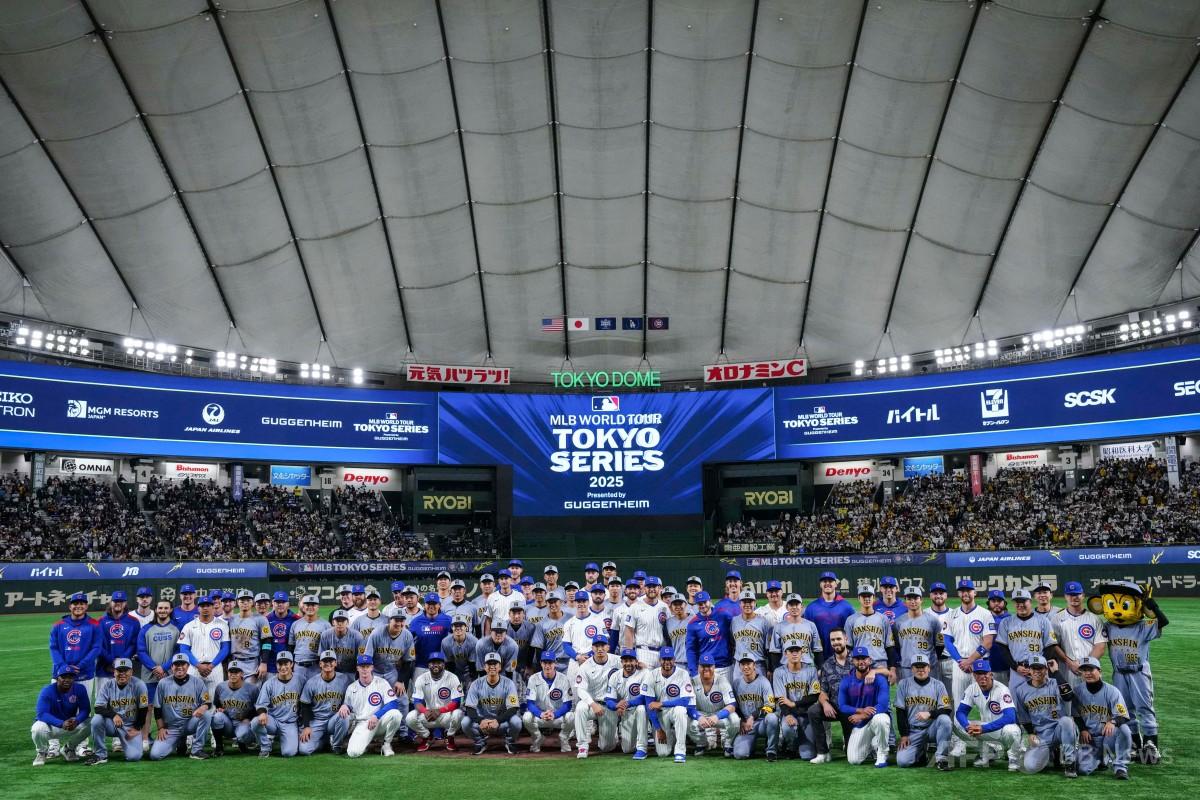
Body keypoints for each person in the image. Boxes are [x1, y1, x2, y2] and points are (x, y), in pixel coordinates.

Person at [942, 579, 996, 757]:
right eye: (962, 590)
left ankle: (989, 744)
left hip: (980, 665)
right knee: (959, 705)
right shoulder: (952, 614)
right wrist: (960, 661)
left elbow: (987, 642)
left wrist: (970, 661)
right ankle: (960, 743)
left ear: (975, 592)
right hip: (959, 665)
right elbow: (947, 641)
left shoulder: (985, 614)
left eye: (968, 590)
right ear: (959, 593)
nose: (965, 593)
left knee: (985, 705)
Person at [1013, 654, 1078, 777]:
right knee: (1030, 766)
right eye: (1034, 668)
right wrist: (1031, 733)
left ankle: (1070, 762)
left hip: (1060, 730)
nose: (1037, 671)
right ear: (1029, 670)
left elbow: (1069, 696)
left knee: (1066, 721)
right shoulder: (1020, 690)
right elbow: (1024, 717)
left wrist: (1057, 672)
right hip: (1042, 735)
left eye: (1040, 668)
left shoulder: (1055, 683)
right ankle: (1053, 753)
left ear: (1046, 670)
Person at [953, 659, 1022, 771]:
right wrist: (967, 726)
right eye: (979, 674)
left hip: (1002, 730)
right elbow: (961, 712)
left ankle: (1014, 758)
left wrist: (983, 728)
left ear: (991, 674)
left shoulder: (1002, 690)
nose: (982, 677)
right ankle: (987, 752)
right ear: (974, 675)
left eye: (985, 673)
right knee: (957, 723)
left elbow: (1010, 717)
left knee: (1011, 730)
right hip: (985, 729)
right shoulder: (972, 689)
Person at [1074, 656, 1133, 779]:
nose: (1087, 673)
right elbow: (1075, 715)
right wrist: (1083, 729)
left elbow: (1124, 716)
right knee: (1082, 769)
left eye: (1091, 670)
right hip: (1089, 741)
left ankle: (1120, 768)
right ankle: (1101, 760)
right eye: (1084, 670)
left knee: (1124, 729)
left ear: (1099, 672)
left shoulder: (1112, 691)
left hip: (1107, 738)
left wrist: (1113, 721)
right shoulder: (1078, 691)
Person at [995, 588, 1064, 690]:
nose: (1020, 604)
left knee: (1042, 703)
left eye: (1023, 601)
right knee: (1017, 703)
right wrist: (1015, 667)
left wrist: (1040, 667)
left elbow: (1050, 646)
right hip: (1017, 672)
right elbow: (1003, 648)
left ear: (1030, 601)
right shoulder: (1006, 622)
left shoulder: (1043, 621)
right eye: (1017, 602)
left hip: (1039, 671)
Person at [893, 653, 953, 770]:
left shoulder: (938, 685)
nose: (921, 669)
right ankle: (920, 754)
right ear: (912, 669)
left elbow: (946, 709)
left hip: (932, 729)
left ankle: (941, 758)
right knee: (902, 762)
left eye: (923, 666)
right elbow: (900, 711)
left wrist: (930, 714)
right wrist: (904, 735)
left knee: (945, 720)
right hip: (913, 731)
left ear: (929, 668)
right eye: (917, 666)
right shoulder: (903, 684)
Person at [85, 657, 148, 765]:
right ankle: (100, 754)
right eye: (119, 670)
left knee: (134, 757)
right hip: (113, 725)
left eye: (126, 670)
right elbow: (98, 707)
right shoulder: (108, 685)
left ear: (131, 672)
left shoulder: (140, 685)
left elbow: (144, 708)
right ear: (114, 672)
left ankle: (127, 745)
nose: (122, 674)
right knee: (96, 720)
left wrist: (137, 727)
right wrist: (114, 715)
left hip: (130, 726)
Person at [150, 653, 211, 761]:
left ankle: (196, 750)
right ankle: (179, 741)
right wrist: (161, 728)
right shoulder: (163, 683)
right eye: (176, 664)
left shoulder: (197, 682)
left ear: (188, 666)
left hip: (189, 724)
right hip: (171, 728)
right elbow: (157, 708)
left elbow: (208, 702)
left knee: (206, 715)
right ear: (172, 667)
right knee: (155, 755)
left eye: (183, 664)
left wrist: (204, 707)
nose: (179, 667)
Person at [340, 654, 404, 758]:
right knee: (353, 753)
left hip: (379, 721)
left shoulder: (382, 683)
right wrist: (344, 706)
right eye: (362, 666)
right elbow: (348, 706)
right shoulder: (351, 688)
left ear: (372, 667)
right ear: (357, 668)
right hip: (363, 724)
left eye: (367, 666)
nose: (365, 669)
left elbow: (393, 703)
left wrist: (376, 715)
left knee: (396, 714)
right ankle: (366, 743)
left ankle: (386, 744)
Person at [1051, 581, 1107, 698]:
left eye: (1077, 594)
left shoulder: (1094, 619)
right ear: (1065, 596)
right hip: (1066, 669)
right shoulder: (1056, 619)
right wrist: (1069, 663)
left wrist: (1084, 664)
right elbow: (1053, 645)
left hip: (1091, 669)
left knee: (1093, 704)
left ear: (1083, 595)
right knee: (1067, 704)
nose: (1074, 597)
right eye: (1070, 594)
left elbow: (1100, 646)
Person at [837, 646, 891, 767]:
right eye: (857, 659)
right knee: (854, 760)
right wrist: (859, 710)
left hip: (875, 718)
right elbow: (842, 706)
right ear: (852, 661)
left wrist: (862, 715)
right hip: (860, 724)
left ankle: (882, 753)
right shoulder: (846, 681)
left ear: (870, 660)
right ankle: (872, 744)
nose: (861, 661)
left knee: (881, 719)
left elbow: (882, 705)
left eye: (864, 658)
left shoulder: (880, 679)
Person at [808, 628, 854, 763]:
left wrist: (871, 673)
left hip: (852, 709)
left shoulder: (857, 660)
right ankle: (823, 752)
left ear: (846, 639)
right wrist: (825, 703)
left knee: (852, 756)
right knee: (813, 711)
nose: (836, 642)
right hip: (834, 706)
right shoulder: (827, 664)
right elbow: (822, 691)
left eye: (838, 639)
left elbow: (878, 670)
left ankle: (851, 746)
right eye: (833, 640)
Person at [464, 652, 522, 755]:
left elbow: (513, 708)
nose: (492, 667)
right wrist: (480, 720)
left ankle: (509, 741)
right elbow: (469, 708)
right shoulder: (476, 684)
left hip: (502, 723)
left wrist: (498, 721)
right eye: (489, 664)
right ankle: (480, 742)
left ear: (500, 667)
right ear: (484, 667)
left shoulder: (509, 683)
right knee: (465, 722)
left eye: (495, 664)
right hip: (483, 725)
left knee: (516, 721)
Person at [645, 645, 696, 762]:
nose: (667, 662)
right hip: (661, 714)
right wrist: (658, 729)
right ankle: (671, 734)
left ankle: (680, 751)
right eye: (664, 659)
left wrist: (661, 703)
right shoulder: (652, 675)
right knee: (663, 753)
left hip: (675, 711)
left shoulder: (683, 674)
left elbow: (685, 701)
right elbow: (650, 705)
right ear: (660, 661)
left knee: (680, 710)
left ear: (674, 660)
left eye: (669, 659)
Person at [32, 665, 91, 766]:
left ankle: (69, 748)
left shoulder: (80, 689)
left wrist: (77, 720)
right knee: (37, 728)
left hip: (71, 724)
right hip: (52, 725)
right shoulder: (47, 691)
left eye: (70, 677)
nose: (67, 680)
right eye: (63, 677)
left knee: (94, 722)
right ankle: (42, 752)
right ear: (57, 678)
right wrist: (61, 723)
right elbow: (41, 714)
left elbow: (85, 710)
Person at [573, 635, 620, 757]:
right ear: (592, 648)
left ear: (608, 647)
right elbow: (580, 690)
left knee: (607, 747)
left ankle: (610, 735)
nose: (600, 649)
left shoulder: (617, 661)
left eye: (603, 645)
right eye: (597, 646)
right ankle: (582, 746)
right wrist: (593, 704)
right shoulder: (585, 666)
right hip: (592, 704)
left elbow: (631, 666)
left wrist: (640, 665)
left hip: (609, 705)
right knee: (580, 707)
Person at [408, 651, 464, 752]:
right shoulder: (421, 678)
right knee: (410, 717)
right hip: (429, 715)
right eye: (432, 663)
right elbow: (417, 701)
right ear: (428, 665)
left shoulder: (452, 677)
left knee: (459, 713)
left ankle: (449, 737)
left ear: (444, 664)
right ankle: (427, 737)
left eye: (439, 662)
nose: (435, 665)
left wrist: (440, 711)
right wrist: (425, 711)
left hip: (446, 715)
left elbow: (456, 702)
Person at [773, 644, 821, 760]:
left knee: (807, 756)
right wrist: (788, 714)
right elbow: (781, 699)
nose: (794, 653)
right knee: (787, 728)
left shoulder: (811, 670)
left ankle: (802, 742)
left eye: (797, 651)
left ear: (802, 653)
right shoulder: (779, 672)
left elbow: (814, 696)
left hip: (806, 714)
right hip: (789, 713)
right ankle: (790, 745)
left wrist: (794, 703)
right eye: (791, 651)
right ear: (785, 654)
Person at [297, 650, 351, 755]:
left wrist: (346, 705)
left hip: (334, 720)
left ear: (335, 663)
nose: (328, 664)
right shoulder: (311, 682)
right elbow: (305, 706)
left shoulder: (344, 679)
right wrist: (307, 726)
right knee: (304, 750)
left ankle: (337, 745)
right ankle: (324, 742)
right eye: (324, 661)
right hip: (317, 721)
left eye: (331, 661)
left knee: (345, 716)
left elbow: (351, 699)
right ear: (320, 664)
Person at [251, 650, 301, 758]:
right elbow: (260, 704)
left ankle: (284, 738)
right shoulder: (269, 683)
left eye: (286, 664)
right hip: (273, 721)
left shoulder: (300, 680)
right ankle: (265, 747)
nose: (283, 667)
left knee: (289, 753)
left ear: (291, 664)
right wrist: (263, 713)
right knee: (256, 722)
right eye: (280, 664)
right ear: (276, 665)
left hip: (290, 723)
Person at [730, 652, 779, 761]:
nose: (746, 667)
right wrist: (742, 720)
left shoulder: (764, 682)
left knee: (772, 718)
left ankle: (771, 751)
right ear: (739, 666)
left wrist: (753, 716)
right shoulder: (736, 683)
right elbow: (734, 705)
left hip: (762, 723)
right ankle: (749, 746)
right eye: (743, 664)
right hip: (746, 726)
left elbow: (770, 706)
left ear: (754, 665)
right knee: (740, 754)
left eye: (748, 663)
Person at [177, 594, 229, 696]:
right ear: (198, 608)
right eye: (202, 605)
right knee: (192, 702)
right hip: (194, 668)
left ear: (213, 607)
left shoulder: (223, 625)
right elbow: (183, 649)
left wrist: (212, 665)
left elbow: (225, 648)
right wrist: (198, 665)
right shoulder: (189, 626)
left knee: (214, 704)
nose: (205, 608)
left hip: (215, 668)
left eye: (208, 605)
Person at [844, 583, 897, 681]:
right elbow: (848, 647)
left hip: (880, 663)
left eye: (869, 596)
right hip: (860, 664)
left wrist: (892, 668)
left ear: (874, 598)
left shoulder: (883, 619)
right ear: (858, 598)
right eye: (864, 596)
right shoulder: (851, 620)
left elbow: (889, 646)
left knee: (881, 694)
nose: (867, 598)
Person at [50, 592, 101, 693]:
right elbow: (53, 648)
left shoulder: (95, 625)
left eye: (82, 604)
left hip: (84, 674)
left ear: (86, 606)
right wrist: (63, 666)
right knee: (58, 707)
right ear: (70, 606)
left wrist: (81, 665)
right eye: (75, 603)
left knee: (83, 707)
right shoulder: (58, 625)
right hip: (60, 674)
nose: (78, 606)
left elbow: (96, 648)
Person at [523, 652, 573, 753]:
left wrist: (555, 714)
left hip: (557, 717)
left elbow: (568, 704)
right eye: (545, 663)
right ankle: (537, 738)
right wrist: (540, 714)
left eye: (550, 663)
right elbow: (530, 703)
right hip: (540, 716)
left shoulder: (563, 679)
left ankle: (564, 738)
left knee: (571, 716)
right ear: (541, 663)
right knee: (526, 717)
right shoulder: (533, 679)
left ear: (555, 663)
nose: (547, 666)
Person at [689, 652, 738, 757]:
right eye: (703, 666)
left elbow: (732, 705)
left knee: (734, 719)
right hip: (701, 714)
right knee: (686, 721)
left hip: (719, 715)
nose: (706, 669)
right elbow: (688, 706)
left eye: (709, 666)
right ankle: (701, 743)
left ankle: (728, 744)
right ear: (698, 667)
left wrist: (717, 716)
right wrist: (698, 717)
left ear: (714, 667)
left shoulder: (722, 680)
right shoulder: (692, 682)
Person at [804, 571, 855, 661]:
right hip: (818, 657)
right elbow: (806, 635)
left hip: (842, 656)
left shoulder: (846, 606)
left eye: (830, 581)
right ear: (820, 584)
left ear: (836, 584)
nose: (827, 583)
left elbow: (852, 633)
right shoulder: (811, 607)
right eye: (824, 581)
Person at [607, 648, 649, 756]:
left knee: (641, 708)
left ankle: (642, 747)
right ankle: (637, 739)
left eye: (631, 660)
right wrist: (617, 705)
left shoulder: (644, 673)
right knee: (627, 749)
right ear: (621, 662)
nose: (628, 663)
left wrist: (625, 704)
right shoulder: (615, 676)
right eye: (625, 661)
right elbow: (608, 699)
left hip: (642, 711)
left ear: (636, 661)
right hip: (626, 713)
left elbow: (645, 697)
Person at [211, 663, 258, 756]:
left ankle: (243, 743)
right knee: (216, 717)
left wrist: (249, 718)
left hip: (243, 723)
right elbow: (217, 704)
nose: (233, 674)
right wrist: (220, 709)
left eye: (236, 672)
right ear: (227, 673)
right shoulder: (220, 687)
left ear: (242, 674)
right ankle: (219, 748)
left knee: (242, 735)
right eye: (231, 672)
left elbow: (259, 708)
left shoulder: (252, 689)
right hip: (228, 723)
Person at [137, 600, 179, 702]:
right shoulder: (146, 629)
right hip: (149, 675)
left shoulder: (178, 627)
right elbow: (141, 651)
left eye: (166, 608)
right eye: (160, 608)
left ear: (171, 610)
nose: (163, 611)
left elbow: (179, 651)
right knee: (147, 707)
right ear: (155, 610)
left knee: (169, 706)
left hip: (170, 674)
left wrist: (164, 668)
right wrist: (154, 668)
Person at [97, 590, 141, 687]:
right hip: (104, 669)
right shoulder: (101, 621)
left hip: (125, 670)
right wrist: (111, 660)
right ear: (111, 602)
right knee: (103, 701)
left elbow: (134, 644)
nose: (118, 603)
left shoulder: (134, 622)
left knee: (123, 700)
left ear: (125, 603)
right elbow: (97, 644)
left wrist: (120, 661)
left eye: (121, 601)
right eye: (115, 601)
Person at [685, 592, 733, 679]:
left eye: (705, 602)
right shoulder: (693, 623)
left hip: (725, 666)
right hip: (706, 668)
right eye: (700, 604)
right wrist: (694, 672)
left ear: (710, 601)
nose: (703, 605)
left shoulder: (723, 614)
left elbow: (736, 626)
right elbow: (691, 650)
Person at [228, 589, 272, 683]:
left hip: (252, 663)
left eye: (248, 600)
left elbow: (267, 642)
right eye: (242, 601)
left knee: (251, 693)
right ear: (237, 602)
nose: (245, 603)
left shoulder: (261, 619)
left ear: (252, 602)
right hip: (234, 661)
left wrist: (264, 662)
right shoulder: (231, 620)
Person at [625, 576, 669, 669]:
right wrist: (630, 656)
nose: (652, 589)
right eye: (649, 587)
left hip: (662, 653)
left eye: (654, 586)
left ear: (659, 588)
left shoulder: (665, 607)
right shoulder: (635, 607)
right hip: (643, 652)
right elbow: (629, 631)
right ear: (644, 588)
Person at [768, 594, 821, 671]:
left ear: (801, 606)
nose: (794, 607)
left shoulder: (811, 625)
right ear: (787, 607)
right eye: (791, 604)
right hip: (786, 667)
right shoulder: (779, 626)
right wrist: (775, 670)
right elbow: (775, 652)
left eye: (797, 604)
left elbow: (817, 650)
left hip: (807, 667)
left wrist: (819, 668)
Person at [288, 595, 331, 687]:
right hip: (298, 667)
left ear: (318, 607)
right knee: (296, 693)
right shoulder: (295, 624)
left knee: (316, 693)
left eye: (313, 605)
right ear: (303, 607)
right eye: (307, 605)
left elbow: (329, 649)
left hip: (316, 666)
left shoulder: (326, 625)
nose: (310, 607)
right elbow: (291, 647)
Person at [410, 594, 453, 679]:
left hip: (441, 664)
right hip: (421, 665)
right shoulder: (416, 621)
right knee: (419, 691)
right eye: (428, 604)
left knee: (441, 691)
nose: (431, 606)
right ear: (424, 605)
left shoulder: (448, 620)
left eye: (434, 604)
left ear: (439, 605)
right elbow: (408, 642)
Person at [730, 589, 772, 670]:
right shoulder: (734, 621)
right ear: (740, 604)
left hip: (758, 664)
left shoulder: (763, 622)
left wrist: (770, 668)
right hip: (739, 665)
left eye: (750, 601)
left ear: (755, 603)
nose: (747, 604)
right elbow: (732, 642)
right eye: (744, 602)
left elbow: (769, 648)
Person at [318, 610, 363, 675]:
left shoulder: (357, 636)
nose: (340, 623)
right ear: (333, 622)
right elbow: (322, 657)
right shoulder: (325, 635)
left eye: (343, 620)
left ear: (347, 622)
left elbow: (361, 659)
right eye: (337, 620)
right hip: (332, 671)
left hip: (351, 672)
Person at [266, 590, 300, 674]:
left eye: (283, 602)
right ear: (273, 603)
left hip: (289, 664)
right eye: (277, 602)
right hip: (271, 664)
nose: (280, 604)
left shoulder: (296, 619)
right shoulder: (266, 619)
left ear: (288, 604)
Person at [442, 615, 479, 685]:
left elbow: (473, 665)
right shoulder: (445, 642)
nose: (458, 628)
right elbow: (449, 664)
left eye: (461, 626)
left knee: (469, 689)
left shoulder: (474, 641)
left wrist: (472, 680)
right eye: (455, 626)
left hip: (469, 670)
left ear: (466, 627)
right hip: (454, 668)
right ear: (452, 628)